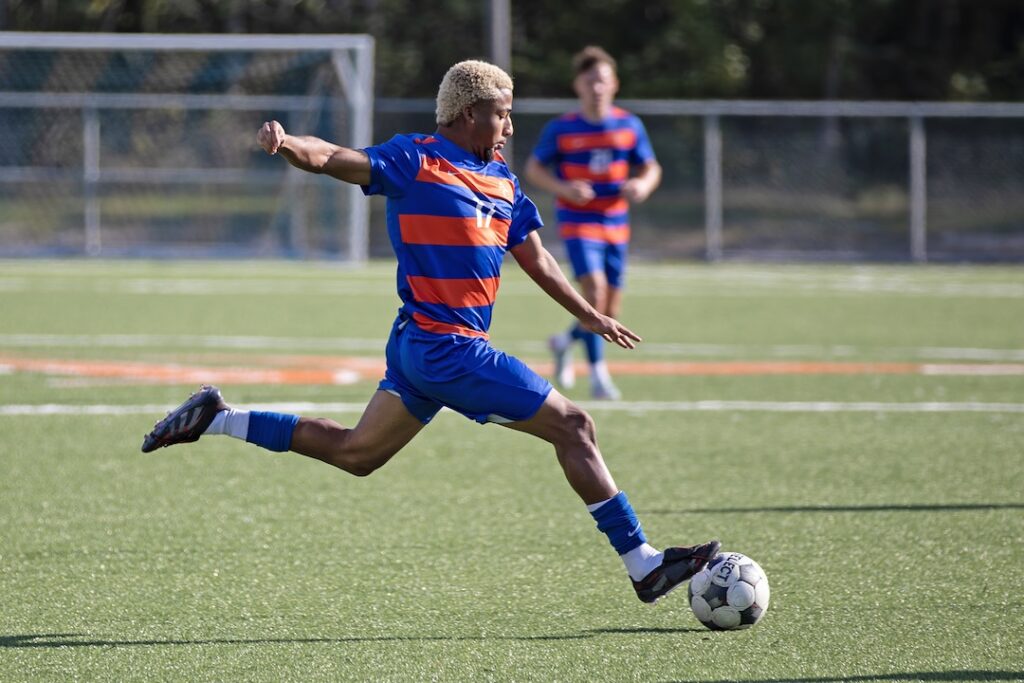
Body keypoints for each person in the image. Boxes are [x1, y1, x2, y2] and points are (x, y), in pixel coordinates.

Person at [140, 59, 716, 603]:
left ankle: (217, 418)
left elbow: (536, 258)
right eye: (502, 114)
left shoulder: (504, 183)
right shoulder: (414, 160)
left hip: (422, 349)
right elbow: (335, 157)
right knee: (574, 424)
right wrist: (289, 144)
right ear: (469, 113)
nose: (510, 127)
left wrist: (586, 314)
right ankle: (643, 563)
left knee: (357, 454)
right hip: (448, 350)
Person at [525, 46, 662, 400]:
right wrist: (564, 189)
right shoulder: (562, 128)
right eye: (590, 81)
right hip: (579, 221)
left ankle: (563, 342)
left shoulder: (629, 125)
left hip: (616, 222)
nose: (596, 87)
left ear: (614, 84)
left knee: (610, 309)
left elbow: (650, 167)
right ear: (578, 86)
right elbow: (534, 169)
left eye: (602, 80)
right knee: (595, 293)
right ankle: (599, 376)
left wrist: (642, 185)